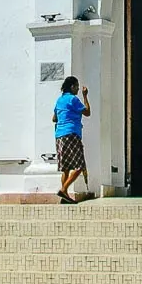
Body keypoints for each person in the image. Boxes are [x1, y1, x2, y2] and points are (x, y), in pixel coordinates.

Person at [53, 76, 91, 204]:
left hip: (59, 136)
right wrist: (85, 96)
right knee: (79, 166)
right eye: (77, 86)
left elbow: (54, 118)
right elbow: (87, 112)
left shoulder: (59, 100)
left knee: (66, 168)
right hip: (72, 134)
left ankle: (65, 197)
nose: (78, 88)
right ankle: (64, 190)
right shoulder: (73, 99)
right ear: (72, 86)